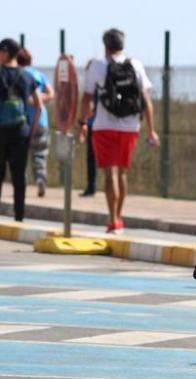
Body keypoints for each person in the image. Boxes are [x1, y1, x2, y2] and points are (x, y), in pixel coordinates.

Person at [78, 28, 159, 234]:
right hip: (131, 127)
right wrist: (151, 130)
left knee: (109, 172)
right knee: (122, 172)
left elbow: (87, 97)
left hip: (104, 126)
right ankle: (119, 218)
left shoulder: (98, 65)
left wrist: (82, 123)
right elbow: (146, 100)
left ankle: (112, 220)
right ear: (122, 45)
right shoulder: (136, 65)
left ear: (105, 46)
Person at [0, 38, 42, 221]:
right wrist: (31, 130)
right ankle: (19, 215)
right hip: (21, 131)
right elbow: (38, 105)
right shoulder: (28, 76)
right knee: (19, 175)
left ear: (7, 53)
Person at [16, 48, 54, 198]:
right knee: (40, 153)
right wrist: (39, 99)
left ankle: (21, 184)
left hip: (22, 121)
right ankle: (40, 179)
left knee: (20, 155)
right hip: (41, 120)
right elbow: (51, 93)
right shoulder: (39, 75)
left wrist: (29, 101)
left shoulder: (17, 75)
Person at [80, 59, 98, 197]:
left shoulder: (93, 87)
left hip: (95, 125)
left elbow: (88, 106)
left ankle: (91, 187)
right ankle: (91, 186)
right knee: (92, 158)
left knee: (92, 157)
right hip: (98, 124)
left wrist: (83, 122)